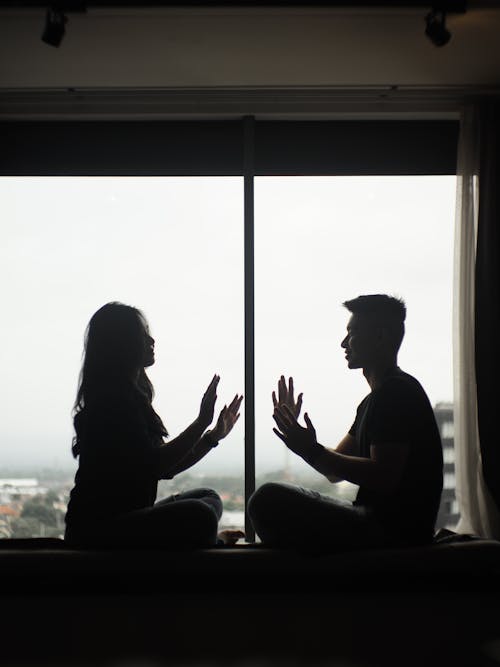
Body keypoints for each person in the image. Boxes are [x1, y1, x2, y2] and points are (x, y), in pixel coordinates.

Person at [248, 294, 443, 551]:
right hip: (377, 521)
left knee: (266, 499)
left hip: (394, 532)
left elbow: (385, 476)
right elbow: (333, 471)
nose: (343, 343)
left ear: (381, 337)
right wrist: (304, 442)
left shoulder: (396, 393)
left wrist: (310, 449)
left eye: (352, 332)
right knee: (269, 498)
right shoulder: (373, 401)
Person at [65, 302, 243, 549]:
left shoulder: (129, 396)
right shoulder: (112, 402)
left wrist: (212, 436)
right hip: (102, 531)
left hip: (129, 519)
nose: (152, 340)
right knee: (200, 514)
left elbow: (164, 468)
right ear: (121, 344)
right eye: (142, 334)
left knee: (208, 498)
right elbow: (156, 465)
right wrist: (202, 422)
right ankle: (215, 542)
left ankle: (209, 538)